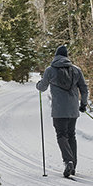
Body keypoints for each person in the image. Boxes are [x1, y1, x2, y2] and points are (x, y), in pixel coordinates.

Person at [36, 45, 89, 178]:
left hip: (59, 110)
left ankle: (68, 161)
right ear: (66, 56)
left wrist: (38, 84)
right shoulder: (76, 70)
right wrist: (83, 104)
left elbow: (42, 87)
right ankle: (73, 165)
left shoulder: (50, 70)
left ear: (56, 56)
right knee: (71, 135)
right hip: (72, 110)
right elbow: (84, 88)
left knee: (61, 135)